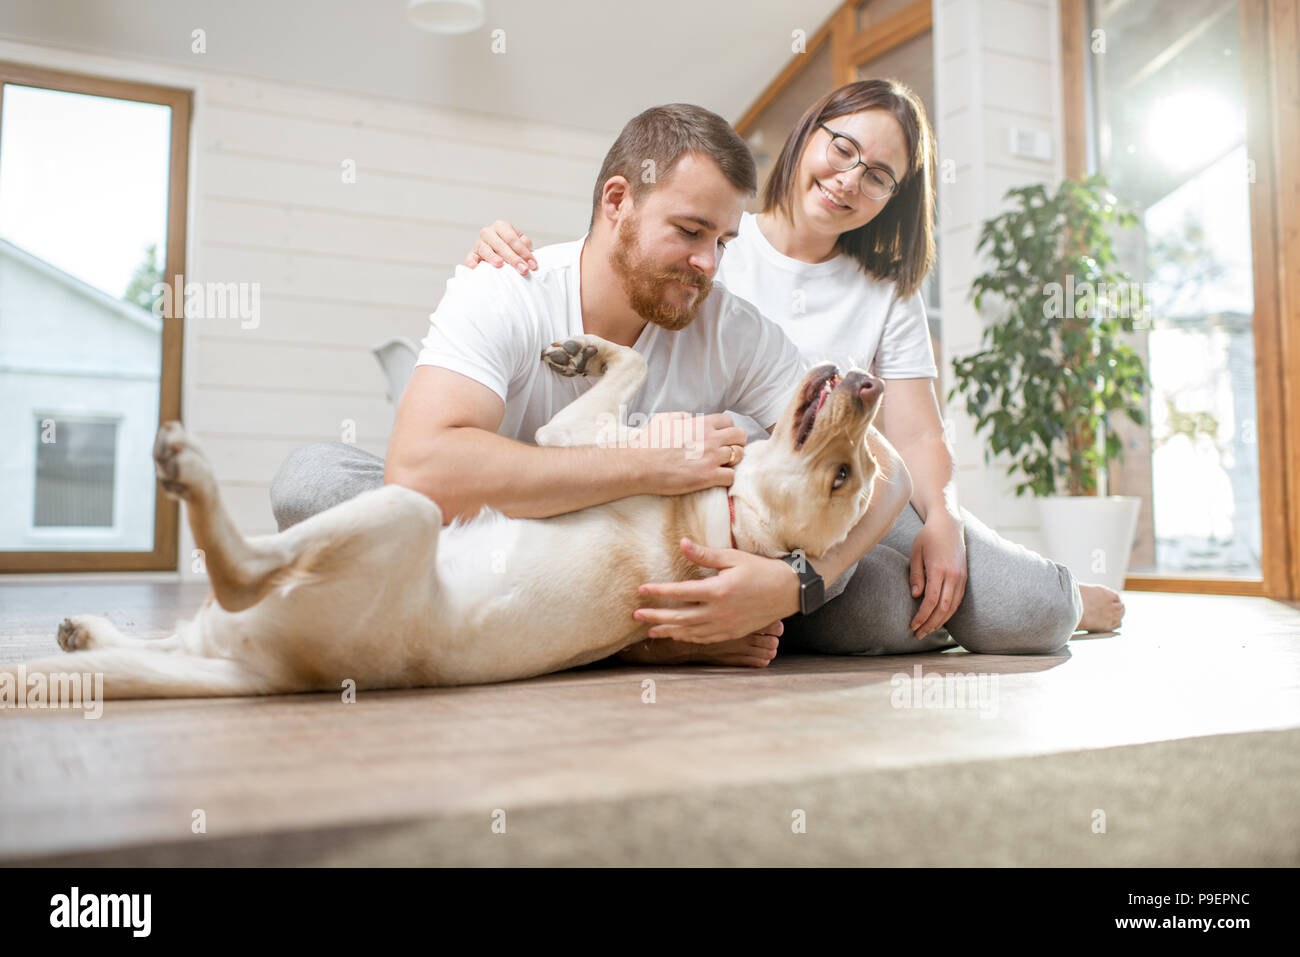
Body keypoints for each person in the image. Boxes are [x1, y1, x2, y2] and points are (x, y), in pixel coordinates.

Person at [463, 79, 1126, 667]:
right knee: (878, 613)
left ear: (894, 198)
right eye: (843, 149)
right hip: (756, 515)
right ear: (809, 133)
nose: (850, 179)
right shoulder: (714, 240)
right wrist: (502, 247)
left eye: (878, 175)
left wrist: (943, 518)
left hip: (865, 485)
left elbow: (914, 441)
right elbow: (611, 265)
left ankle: (1068, 595)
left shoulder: (886, 290)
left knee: (1024, 611)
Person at [269, 103, 918, 669]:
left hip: (653, 562)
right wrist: (645, 466)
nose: (708, 266)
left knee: (881, 604)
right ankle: (652, 639)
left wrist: (793, 588)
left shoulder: (734, 328)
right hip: (507, 541)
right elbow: (418, 473)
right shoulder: (509, 287)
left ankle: (704, 618)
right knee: (314, 480)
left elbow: (889, 474)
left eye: (723, 241)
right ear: (617, 202)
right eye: (691, 232)